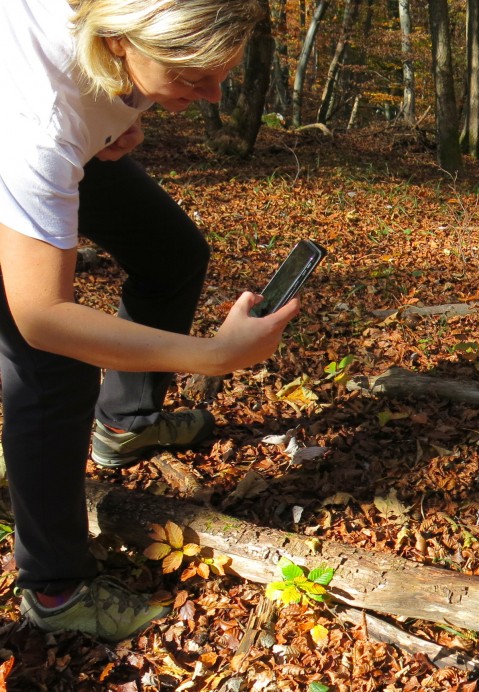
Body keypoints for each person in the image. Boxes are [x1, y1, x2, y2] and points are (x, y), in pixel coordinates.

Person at [0, 0, 299, 642]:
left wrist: (119, 116)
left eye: (220, 73)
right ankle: (54, 588)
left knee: (173, 254)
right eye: (193, 79)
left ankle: (126, 422)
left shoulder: (121, 30)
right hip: (18, 133)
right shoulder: (42, 125)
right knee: (52, 365)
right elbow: (43, 318)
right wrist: (214, 356)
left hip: (66, 111)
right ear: (117, 45)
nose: (215, 93)